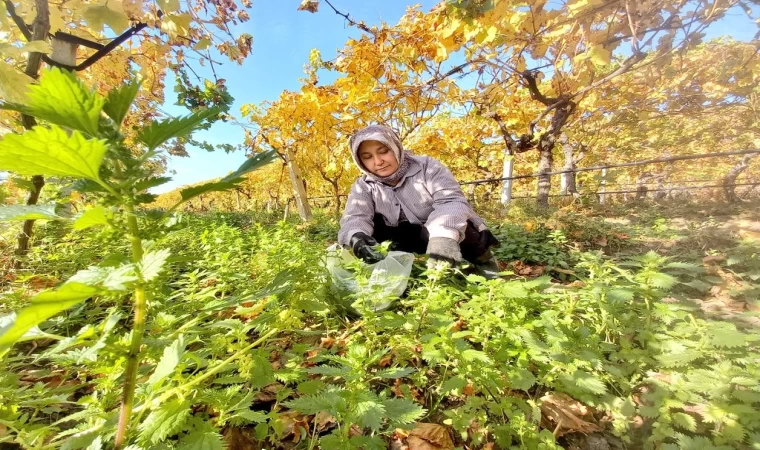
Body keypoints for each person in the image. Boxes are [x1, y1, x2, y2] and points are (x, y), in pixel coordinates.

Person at [337, 124, 500, 275]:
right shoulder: (363, 186)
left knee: (461, 224)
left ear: (395, 147)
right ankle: (400, 272)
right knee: (372, 229)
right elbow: (355, 216)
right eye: (367, 157)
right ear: (360, 162)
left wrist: (442, 236)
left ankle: (484, 265)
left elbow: (451, 201)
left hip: (433, 231)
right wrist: (357, 236)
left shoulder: (428, 167)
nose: (378, 162)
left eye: (383, 151)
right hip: (403, 237)